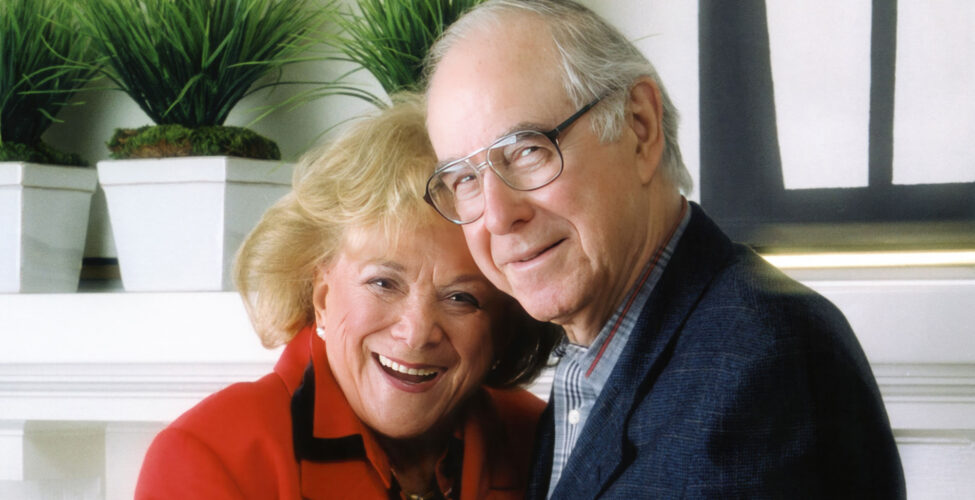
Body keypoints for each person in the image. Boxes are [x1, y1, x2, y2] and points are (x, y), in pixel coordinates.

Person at [421, 1, 905, 498]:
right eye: (463, 179)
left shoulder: (758, 363)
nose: (499, 217)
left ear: (640, 127)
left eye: (528, 150)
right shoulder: (594, 355)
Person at [135, 95, 560, 499]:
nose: (415, 333)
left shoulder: (542, 440)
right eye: (383, 283)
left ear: (505, 322)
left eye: (461, 298)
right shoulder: (212, 457)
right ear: (321, 295)